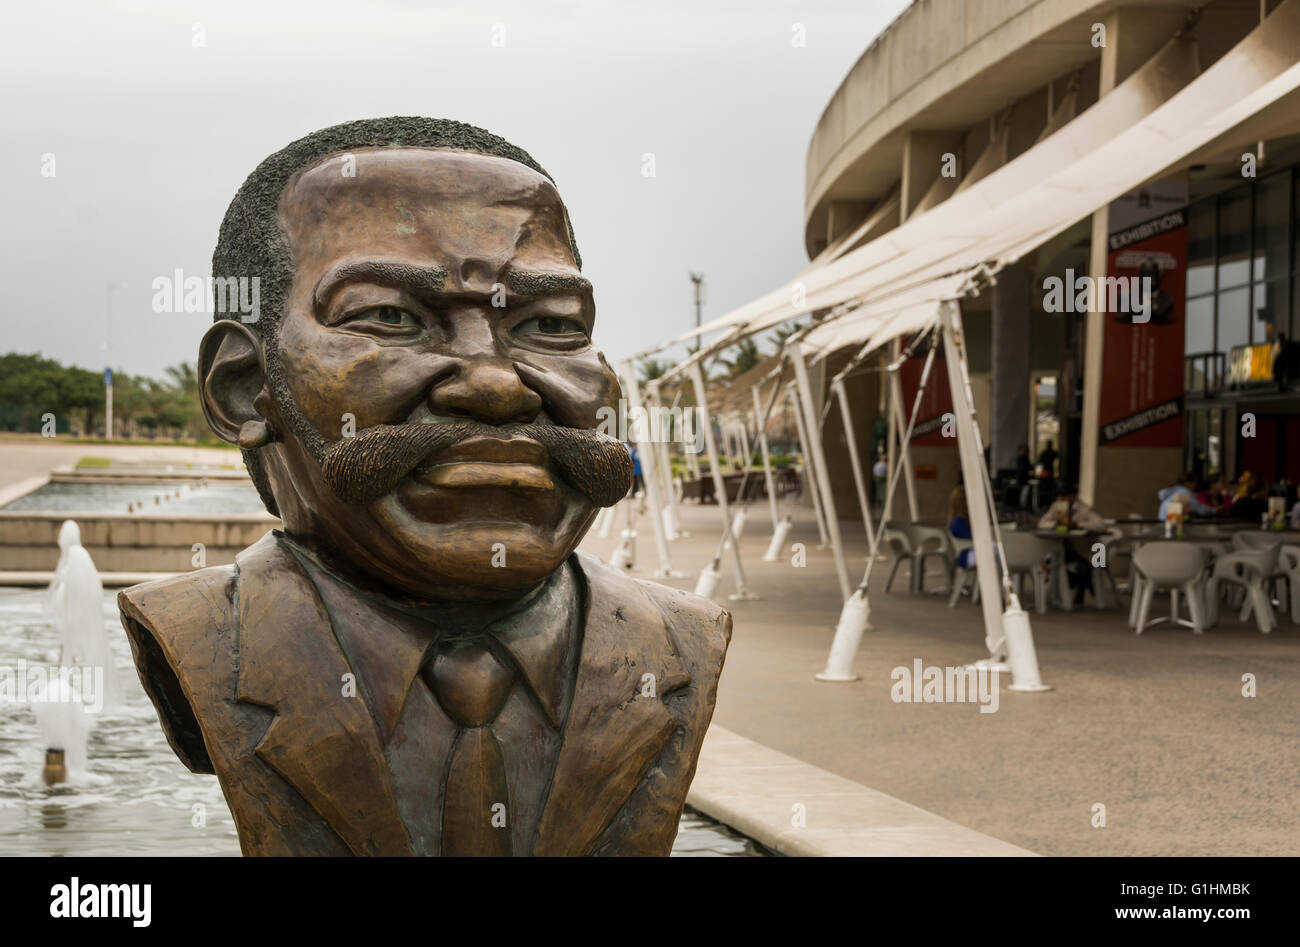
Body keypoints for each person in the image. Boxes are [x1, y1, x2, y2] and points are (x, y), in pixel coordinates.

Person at [118, 117, 730, 857]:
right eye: (389, 317)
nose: (496, 385)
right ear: (246, 388)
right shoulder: (209, 642)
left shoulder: (680, 646)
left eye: (550, 324)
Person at [947, 482, 974, 570]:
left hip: (968, 554)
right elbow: (972, 538)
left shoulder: (956, 520)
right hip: (965, 556)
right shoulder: (959, 522)